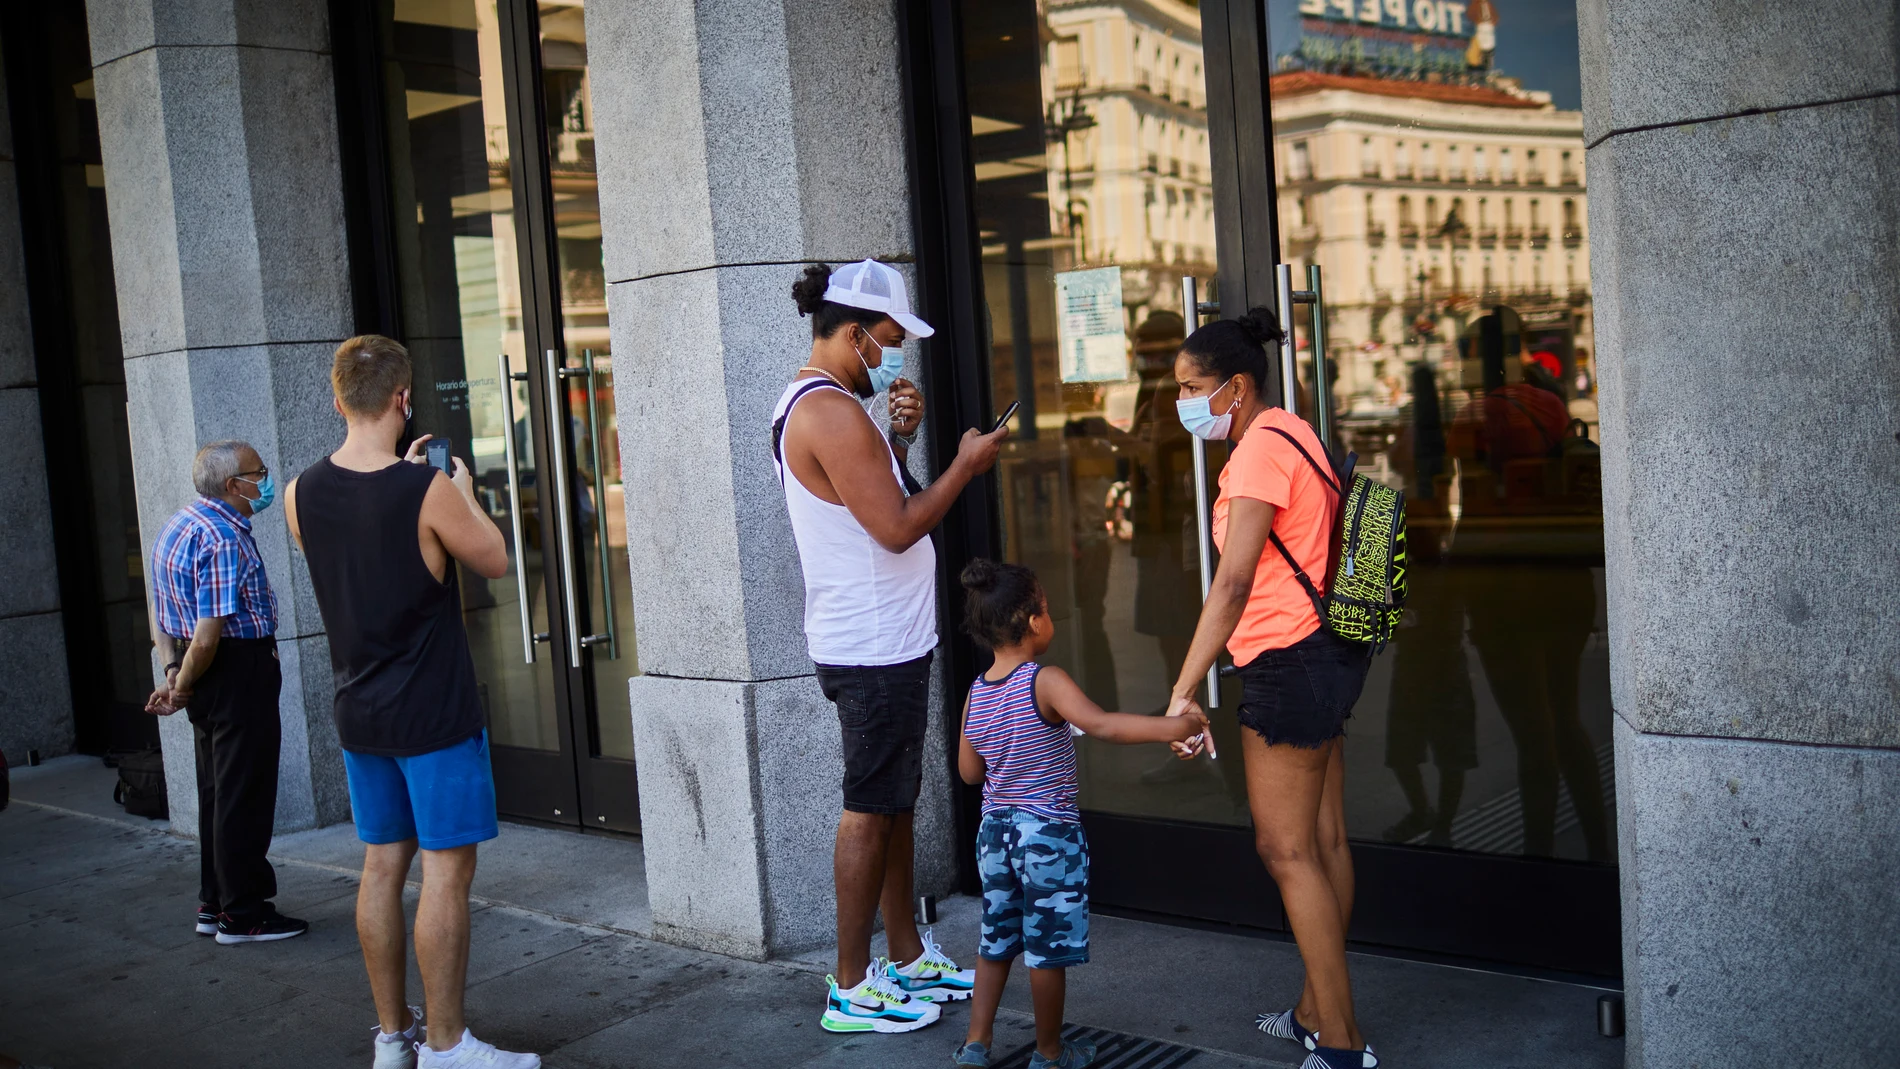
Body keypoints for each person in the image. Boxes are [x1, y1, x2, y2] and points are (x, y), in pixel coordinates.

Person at [284, 335, 529, 1069]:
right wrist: (458, 487)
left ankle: (393, 1038)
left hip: (360, 710)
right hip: (432, 712)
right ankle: (449, 1046)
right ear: (403, 399)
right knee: (446, 874)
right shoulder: (424, 490)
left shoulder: (298, 492)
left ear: (336, 401)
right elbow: (495, 558)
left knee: (382, 865)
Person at [773, 260, 1007, 1033]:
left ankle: (905, 952)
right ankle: (849, 982)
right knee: (869, 809)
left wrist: (901, 439)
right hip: (869, 645)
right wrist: (965, 466)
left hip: (887, 637)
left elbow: (883, 498)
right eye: (892, 338)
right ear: (852, 334)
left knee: (894, 801)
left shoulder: (842, 404)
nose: (898, 351)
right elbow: (900, 525)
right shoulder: (830, 412)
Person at [1164, 309, 1380, 1069]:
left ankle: (1345, 1043)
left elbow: (1231, 584)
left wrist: (1185, 688)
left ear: (1236, 385)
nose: (1184, 402)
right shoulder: (1294, 428)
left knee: (1285, 848)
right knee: (1321, 840)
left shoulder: (1258, 452)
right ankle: (1315, 1010)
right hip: (1326, 651)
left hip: (1288, 662)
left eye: (1193, 387)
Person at [951, 559, 1208, 1069]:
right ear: (1031, 621)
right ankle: (1049, 1053)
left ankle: (975, 1045)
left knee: (996, 937)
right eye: (1047, 610)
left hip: (995, 835)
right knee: (1046, 949)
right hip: (1046, 835)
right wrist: (1175, 728)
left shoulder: (977, 691)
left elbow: (968, 772)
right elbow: (1104, 724)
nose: (1052, 618)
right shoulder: (1043, 681)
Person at [144, 440, 307, 945]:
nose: (267, 480)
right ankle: (243, 914)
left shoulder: (178, 524)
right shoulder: (222, 538)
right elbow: (210, 636)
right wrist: (180, 685)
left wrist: (173, 669)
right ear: (235, 486)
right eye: (259, 473)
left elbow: (162, 610)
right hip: (234, 670)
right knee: (244, 795)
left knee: (218, 791)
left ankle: (213, 904)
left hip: (203, 669)